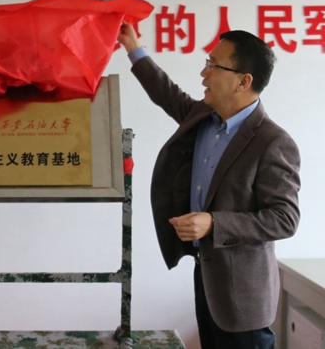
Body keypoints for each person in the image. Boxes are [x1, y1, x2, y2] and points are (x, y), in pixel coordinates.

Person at [117, 22, 300, 349]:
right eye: (207, 63)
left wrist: (214, 223)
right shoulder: (203, 117)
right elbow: (166, 92)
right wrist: (133, 47)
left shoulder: (272, 142)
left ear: (243, 81)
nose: (204, 73)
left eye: (214, 65)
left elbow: (284, 219)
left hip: (244, 296)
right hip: (206, 277)